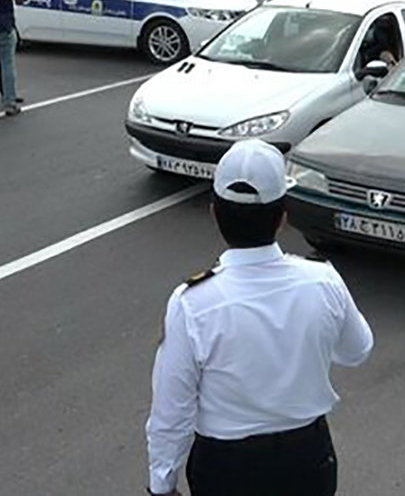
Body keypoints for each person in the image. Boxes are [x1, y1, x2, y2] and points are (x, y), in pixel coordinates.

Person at [145, 139, 374, 496]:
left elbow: (171, 409)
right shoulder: (322, 280)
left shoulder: (193, 302)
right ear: (282, 218)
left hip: (226, 467)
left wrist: (161, 484)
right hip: (307, 459)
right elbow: (357, 350)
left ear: (214, 212)